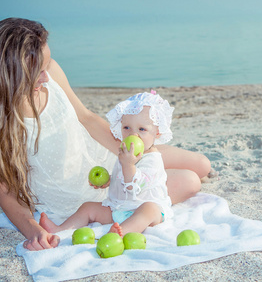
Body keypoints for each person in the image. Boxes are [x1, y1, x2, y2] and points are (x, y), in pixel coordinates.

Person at [0, 18, 211, 251]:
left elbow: (86, 117)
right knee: (190, 181)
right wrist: (33, 230)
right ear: (10, 74)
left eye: (47, 65)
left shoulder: (50, 70)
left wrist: (130, 155)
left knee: (201, 164)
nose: (46, 77)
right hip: (80, 198)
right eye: (37, 71)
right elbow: (5, 188)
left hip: (106, 158)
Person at [40, 92, 175, 237]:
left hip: (144, 208)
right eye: (127, 128)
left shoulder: (152, 159)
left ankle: (122, 232)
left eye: (142, 129)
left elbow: (135, 186)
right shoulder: (126, 153)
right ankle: (61, 229)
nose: (133, 135)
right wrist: (111, 180)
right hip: (119, 208)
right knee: (88, 207)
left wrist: (128, 165)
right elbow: (123, 177)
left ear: (158, 133)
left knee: (149, 209)